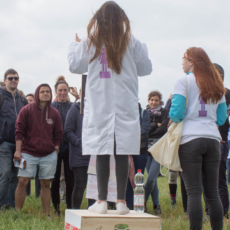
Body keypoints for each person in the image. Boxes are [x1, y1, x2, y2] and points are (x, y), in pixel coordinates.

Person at [68, 1, 152, 215]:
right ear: (121, 18)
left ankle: (102, 201)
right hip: (124, 102)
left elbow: (74, 65)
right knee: (122, 150)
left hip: (100, 103)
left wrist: (74, 44)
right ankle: (122, 202)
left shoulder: (91, 42)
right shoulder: (131, 42)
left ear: (99, 19)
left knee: (102, 150)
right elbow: (146, 68)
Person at [169, 47, 227, 230]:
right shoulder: (217, 84)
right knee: (213, 194)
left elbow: (176, 114)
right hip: (212, 139)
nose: (182, 62)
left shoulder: (183, 80)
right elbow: (221, 118)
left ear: (192, 62)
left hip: (190, 139)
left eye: (184, 59)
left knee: (194, 192)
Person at [14, 84, 63, 216]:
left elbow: (59, 134)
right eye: (42, 92)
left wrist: (56, 150)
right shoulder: (26, 110)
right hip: (28, 152)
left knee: (46, 183)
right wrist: (18, 151)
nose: (45, 94)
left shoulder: (54, 113)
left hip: (48, 154)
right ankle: (17, 213)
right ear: (37, 93)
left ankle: (46, 214)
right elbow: (19, 131)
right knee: (23, 181)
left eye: (47, 92)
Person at [204, 63, 230, 219]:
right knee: (206, 178)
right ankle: (209, 211)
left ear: (220, 76)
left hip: (220, 141)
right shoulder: (206, 93)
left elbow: (224, 118)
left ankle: (224, 212)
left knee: (219, 178)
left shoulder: (227, 94)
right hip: (207, 138)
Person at [0, 69, 28, 209]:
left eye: (16, 78)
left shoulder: (22, 99)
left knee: (14, 175)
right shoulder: (1, 96)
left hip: (19, 144)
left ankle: (10, 204)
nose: (13, 80)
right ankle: (1, 203)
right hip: (4, 143)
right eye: (10, 78)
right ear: (5, 80)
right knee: (4, 173)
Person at [65, 88, 93, 209]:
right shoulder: (74, 109)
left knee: (94, 186)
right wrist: (80, 142)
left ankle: (92, 212)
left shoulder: (97, 108)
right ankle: (75, 211)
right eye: (84, 92)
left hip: (94, 153)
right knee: (80, 184)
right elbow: (68, 131)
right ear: (80, 94)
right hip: (79, 153)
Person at [51, 76, 74, 215]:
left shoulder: (72, 107)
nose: (63, 92)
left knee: (70, 179)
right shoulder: (51, 107)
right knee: (55, 178)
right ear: (56, 91)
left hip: (70, 148)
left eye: (65, 90)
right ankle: (56, 207)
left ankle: (70, 206)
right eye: (60, 90)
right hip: (55, 149)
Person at [144, 91, 169, 215]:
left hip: (159, 149)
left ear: (160, 101)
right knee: (152, 180)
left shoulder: (165, 112)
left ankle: (141, 202)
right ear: (148, 100)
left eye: (156, 100)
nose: (154, 102)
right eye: (151, 100)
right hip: (146, 149)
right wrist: (155, 125)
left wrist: (151, 129)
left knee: (150, 179)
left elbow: (163, 129)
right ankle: (156, 205)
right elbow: (144, 130)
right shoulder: (144, 113)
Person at [125, 103, 150, 210]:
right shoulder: (124, 112)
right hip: (126, 151)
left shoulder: (144, 113)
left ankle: (140, 205)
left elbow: (144, 131)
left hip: (140, 151)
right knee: (127, 181)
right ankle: (130, 205)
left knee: (138, 181)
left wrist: (127, 136)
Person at [24, 93, 41, 198]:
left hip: (39, 147)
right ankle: (27, 194)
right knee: (26, 174)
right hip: (27, 148)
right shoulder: (23, 114)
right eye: (27, 100)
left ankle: (38, 195)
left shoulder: (38, 113)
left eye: (31, 100)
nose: (29, 102)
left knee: (39, 174)